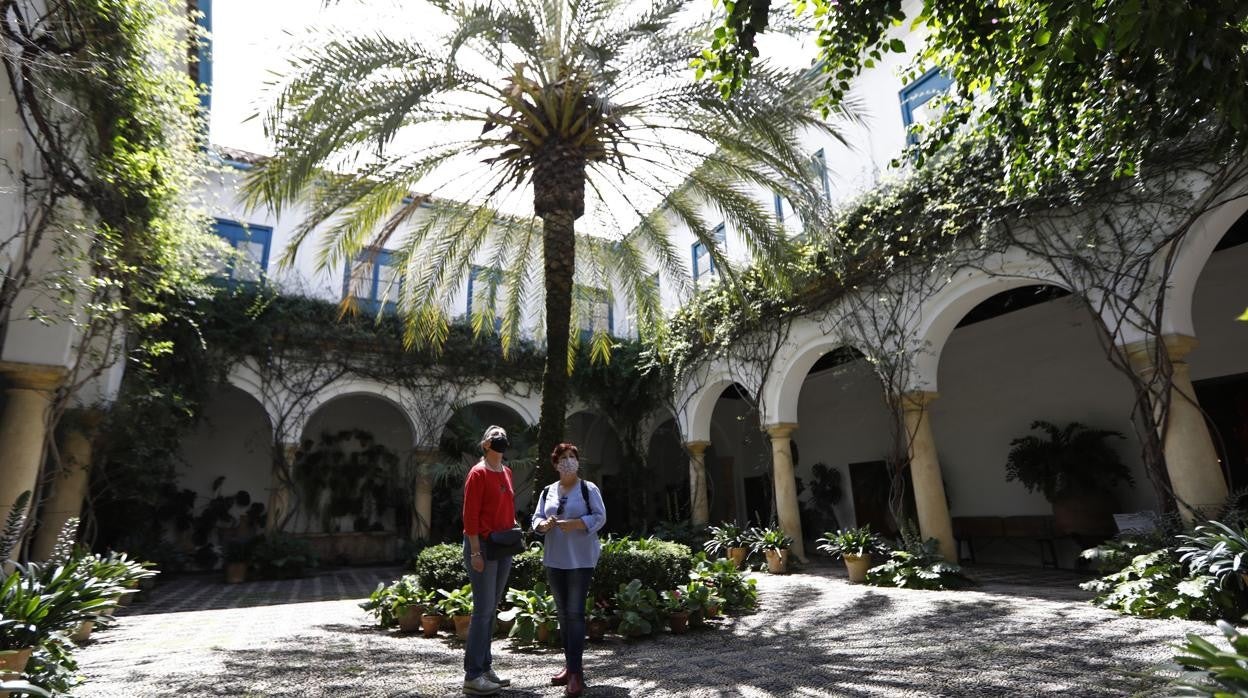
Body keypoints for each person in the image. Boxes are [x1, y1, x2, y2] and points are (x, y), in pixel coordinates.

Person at [531, 442, 607, 698]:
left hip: (581, 561)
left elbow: (600, 516)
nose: (568, 461)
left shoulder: (588, 489)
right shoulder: (547, 491)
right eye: (563, 458)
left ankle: (576, 675)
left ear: (578, 461)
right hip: (555, 559)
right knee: (563, 615)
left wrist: (577, 523)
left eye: (572, 457)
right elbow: (536, 519)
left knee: (574, 614)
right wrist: (544, 525)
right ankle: (570, 665)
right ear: (555, 464)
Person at [461, 425, 517, 696]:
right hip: (481, 545)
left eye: (503, 432)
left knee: (490, 609)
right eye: (494, 433)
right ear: (485, 444)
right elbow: (470, 516)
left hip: (502, 545)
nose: (500, 436)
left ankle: (485, 668)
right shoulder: (478, 473)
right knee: (482, 611)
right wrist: (474, 551)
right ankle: (472, 675)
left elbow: (506, 509)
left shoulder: (506, 472)